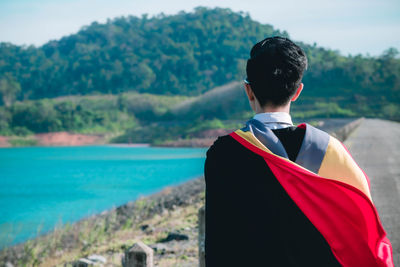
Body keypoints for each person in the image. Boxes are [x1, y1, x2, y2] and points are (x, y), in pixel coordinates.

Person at [204, 36, 393, 266]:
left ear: (249, 91)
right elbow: (361, 222)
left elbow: (218, 242)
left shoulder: (223, 154)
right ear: (297, 92)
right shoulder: (329, 150)